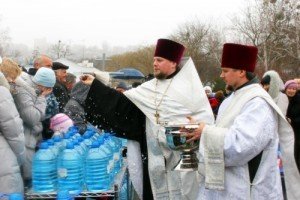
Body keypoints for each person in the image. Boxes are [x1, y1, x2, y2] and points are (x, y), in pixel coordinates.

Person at [81, 38, 214, 200]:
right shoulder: (150, 88)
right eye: (154, 60)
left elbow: (205, 123)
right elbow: (123, 105)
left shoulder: (190, 89)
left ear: (173, 63)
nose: (155, 64)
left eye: (159, 60)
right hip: (154, 160)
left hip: (185, 161)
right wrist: (96, 86)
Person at [185, 43, 300, 200]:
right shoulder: (230, 99)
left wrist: (205, 131)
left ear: (241, 71)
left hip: (248, 189)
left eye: (225, 71)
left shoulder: (257, 102)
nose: (221, 75)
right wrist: (201, 130)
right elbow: (225, 130)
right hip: (227, 186)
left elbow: (241, 146)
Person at [12, 67, 55, 186]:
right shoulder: (23, 91)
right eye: (48, 88)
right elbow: (32, 118)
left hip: (32, 139)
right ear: (42, 85)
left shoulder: (33, 90)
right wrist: (42, 98)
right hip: (25, 141)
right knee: (28, 181)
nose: (48, 91)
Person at [0, 59, 26, 194]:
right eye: (11, 80)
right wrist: (20, 160)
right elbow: (14, 133)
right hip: (4, 165)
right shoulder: (2, 93)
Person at [285, 80, 300, 172]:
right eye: (290, 88)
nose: (291, 91)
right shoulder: (281, 99)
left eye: (294, 89)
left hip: (297, 132)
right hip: (284, 132)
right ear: (286, 89)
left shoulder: (298, 100)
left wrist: (292, 121)